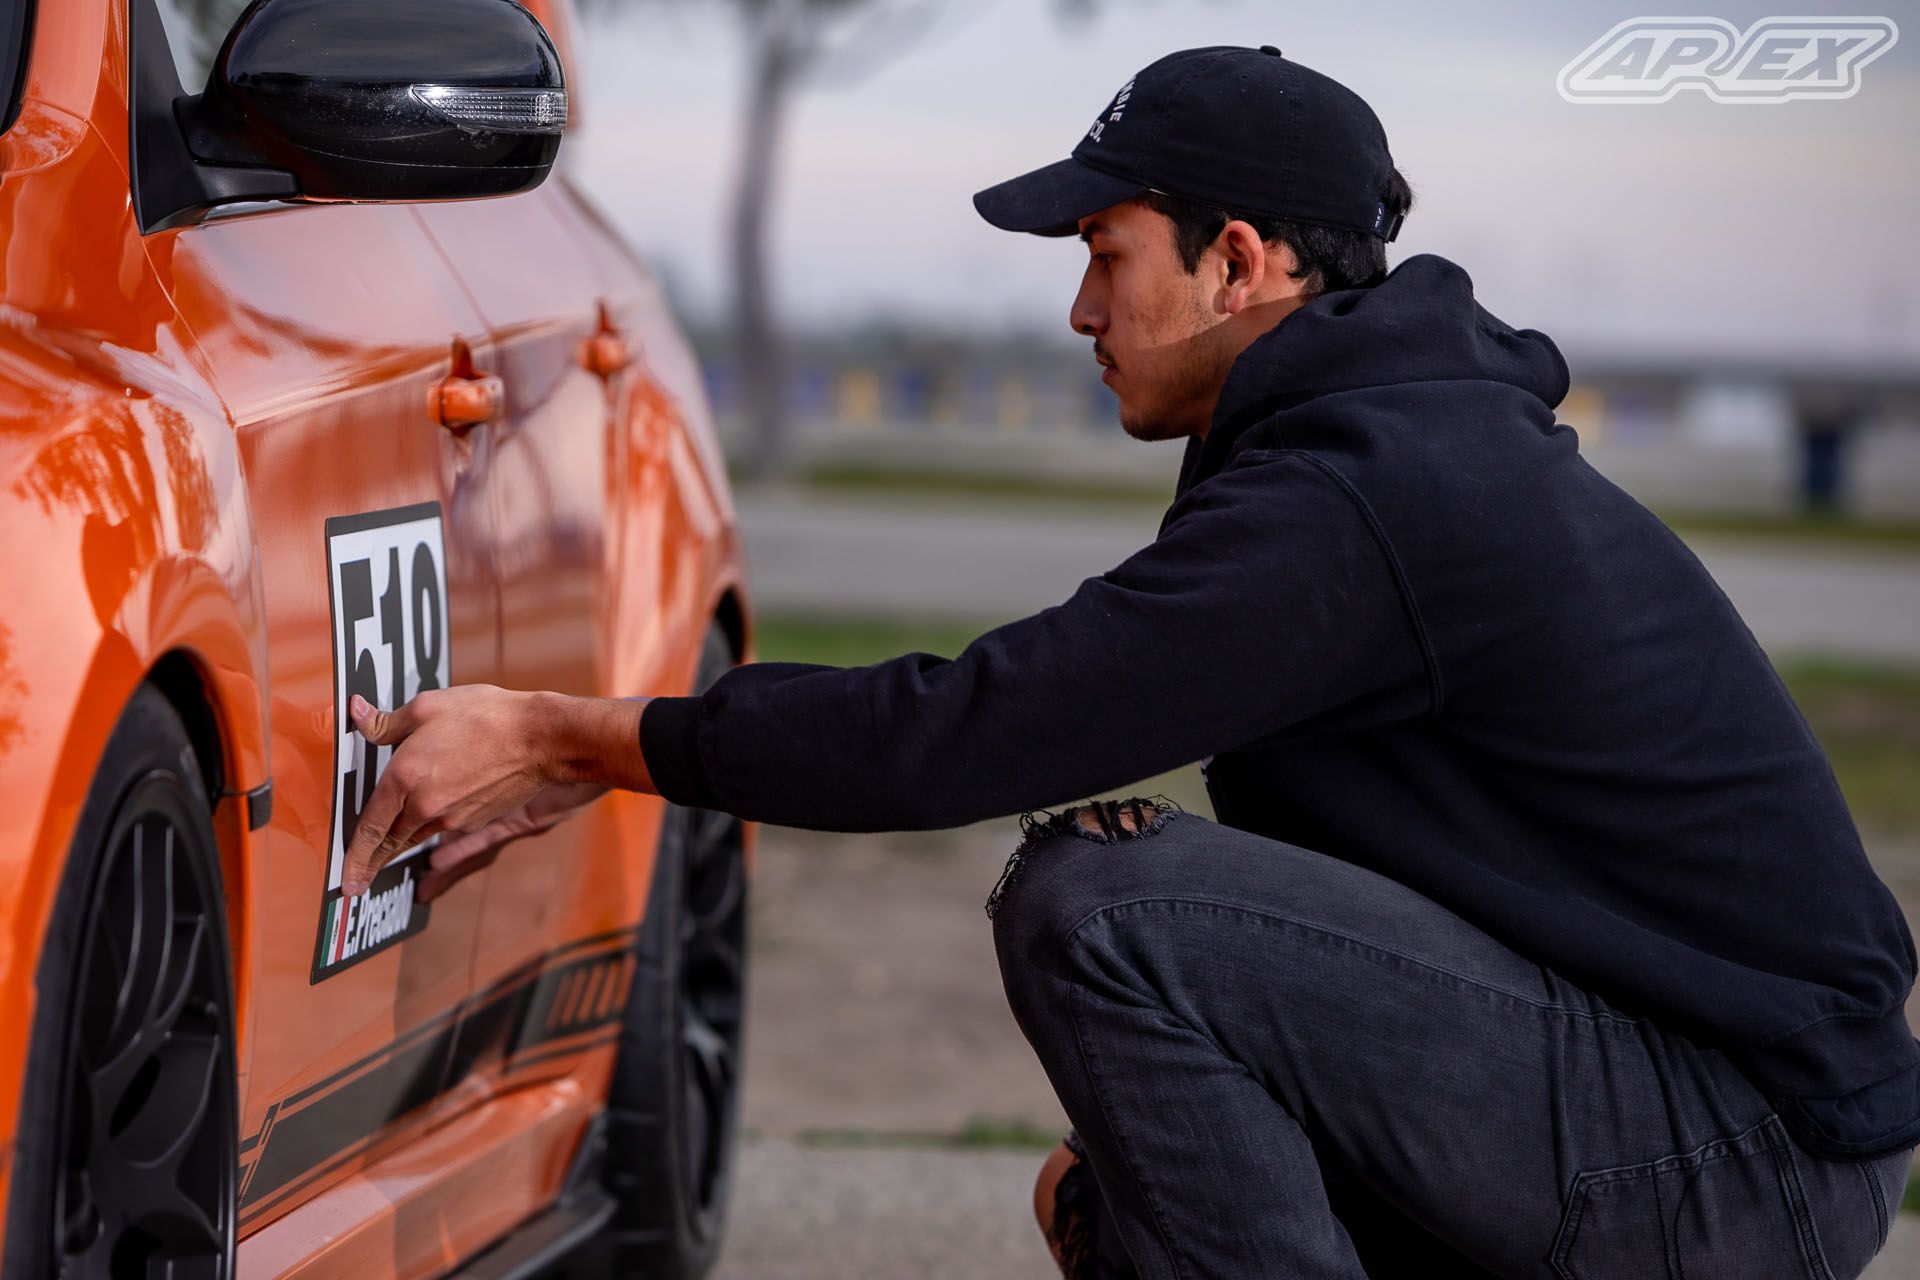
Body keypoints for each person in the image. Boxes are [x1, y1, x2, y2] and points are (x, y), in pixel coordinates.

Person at [336, 45, 1919, 1279]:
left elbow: (969, 733)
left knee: (1110, 912)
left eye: (1107, 253)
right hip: (1719, 1120)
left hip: (1737, 1156)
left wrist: (574, 736)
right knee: (1120, 1193)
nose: (1083, 308)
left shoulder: (1366, 494)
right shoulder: (1367, 436)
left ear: (1238, 262)